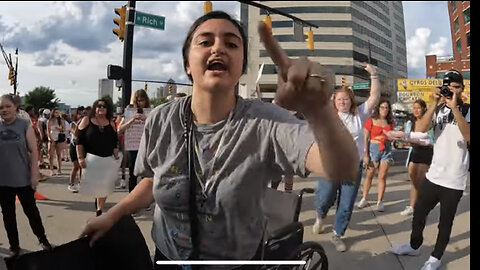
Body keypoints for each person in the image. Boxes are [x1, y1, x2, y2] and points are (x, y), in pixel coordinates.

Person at [81, 11, 358, 267]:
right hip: (168, 258)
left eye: (231, 44)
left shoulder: (267, 122)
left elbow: (343, 168)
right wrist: (112, 215)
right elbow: (154, 180)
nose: (218, 48)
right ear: (188, 65)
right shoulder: (161, 119)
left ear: (241, 67)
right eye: (205, 41)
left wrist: (319, 110)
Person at [392, 70, 470, 270]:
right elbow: (420, 129)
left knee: (445, 222)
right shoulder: (439, 109)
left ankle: (436, 257)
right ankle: (414, 245)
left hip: (454, 178)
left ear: (461, 88)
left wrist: (456, 109)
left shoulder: (468, 109)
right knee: (418, 212)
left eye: (455, 87)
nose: (451, 90)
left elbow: (468, 136)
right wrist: (435, 102)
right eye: (447, 87)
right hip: (434, 174)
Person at [313, 64, 380, 252]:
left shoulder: (359, 114)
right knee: (325, 197)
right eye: (339, 99)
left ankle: (338, 234)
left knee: (346, 203)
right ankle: (321, 214)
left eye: (345, 99)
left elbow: (374, 97)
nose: (342, 102)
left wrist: (373, 75)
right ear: (334, 102)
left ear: (351, 101)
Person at [0, 94, 53, 257]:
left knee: (31, 212)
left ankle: (43, 239)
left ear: (16, 107)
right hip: (3, 181)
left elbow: (34, 151)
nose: (4, 110)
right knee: (8, 215)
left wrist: (34, 175)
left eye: (7, 106)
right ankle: (14, 245)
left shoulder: (24, 125)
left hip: (23, 179)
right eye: (1, 108)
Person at [76, 98, 119, 216]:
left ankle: (99, 209)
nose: (101, 108)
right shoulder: (87, 120)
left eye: (104, 106)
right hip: (92, 158)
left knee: (104, 185)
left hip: (107, 158)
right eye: (99, 106)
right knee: (97, 186)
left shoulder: (110, 122)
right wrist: (80, 157)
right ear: (95, 108)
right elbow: (78, 140)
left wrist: (116, 153)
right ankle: (98, 205)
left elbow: (114, 140)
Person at [357, 99, 395, 212]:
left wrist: (393, 137)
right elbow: (365, 138)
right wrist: (365, 154)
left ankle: (380, 201)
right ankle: (364, 198)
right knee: (369, 174)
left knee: (382, 176)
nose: (384, 110)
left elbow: (391, 136)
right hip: (373, 148)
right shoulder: (371, 120)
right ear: (378, 108)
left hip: (386, 149)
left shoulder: (390, 122)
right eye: (382, 107)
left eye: (387, 108)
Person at [400, 99, 434, 216]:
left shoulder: (429, 122)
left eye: (418, 108)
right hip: (414, 151)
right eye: (414, 108)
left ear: (424, 109)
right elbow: (406, 137)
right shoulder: (410, 123)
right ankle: (413, 205)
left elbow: (433, 139)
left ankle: (417, 205)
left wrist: (425, 142)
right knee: (412, 176)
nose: (416, 110)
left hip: (426, 151)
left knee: (421, 179)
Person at [117, 89, 150, 193]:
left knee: (146, 174)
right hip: (133, 146)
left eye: (142, 100)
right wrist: (131, 120)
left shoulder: (150, 112)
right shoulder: (129, 112)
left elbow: (157, 126)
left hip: (147, 147)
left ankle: (144, 199)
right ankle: (132, 197)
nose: (140, 103)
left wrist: (145, 118)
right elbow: (119, 129)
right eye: (138, 101)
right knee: (133, 173)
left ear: (146, 100)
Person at [47, 109, 66, 176]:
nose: (57, 114)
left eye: (58, 112)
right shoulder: (49, 121)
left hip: (59, 138)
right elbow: (48, 131)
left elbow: (64, 129)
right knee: (51, 155)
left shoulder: (61, 120)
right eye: (56, 112)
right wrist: (50, 139)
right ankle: (51, 169)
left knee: (59, 155)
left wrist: (59, 129)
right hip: (52, 139)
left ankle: (59, 169)